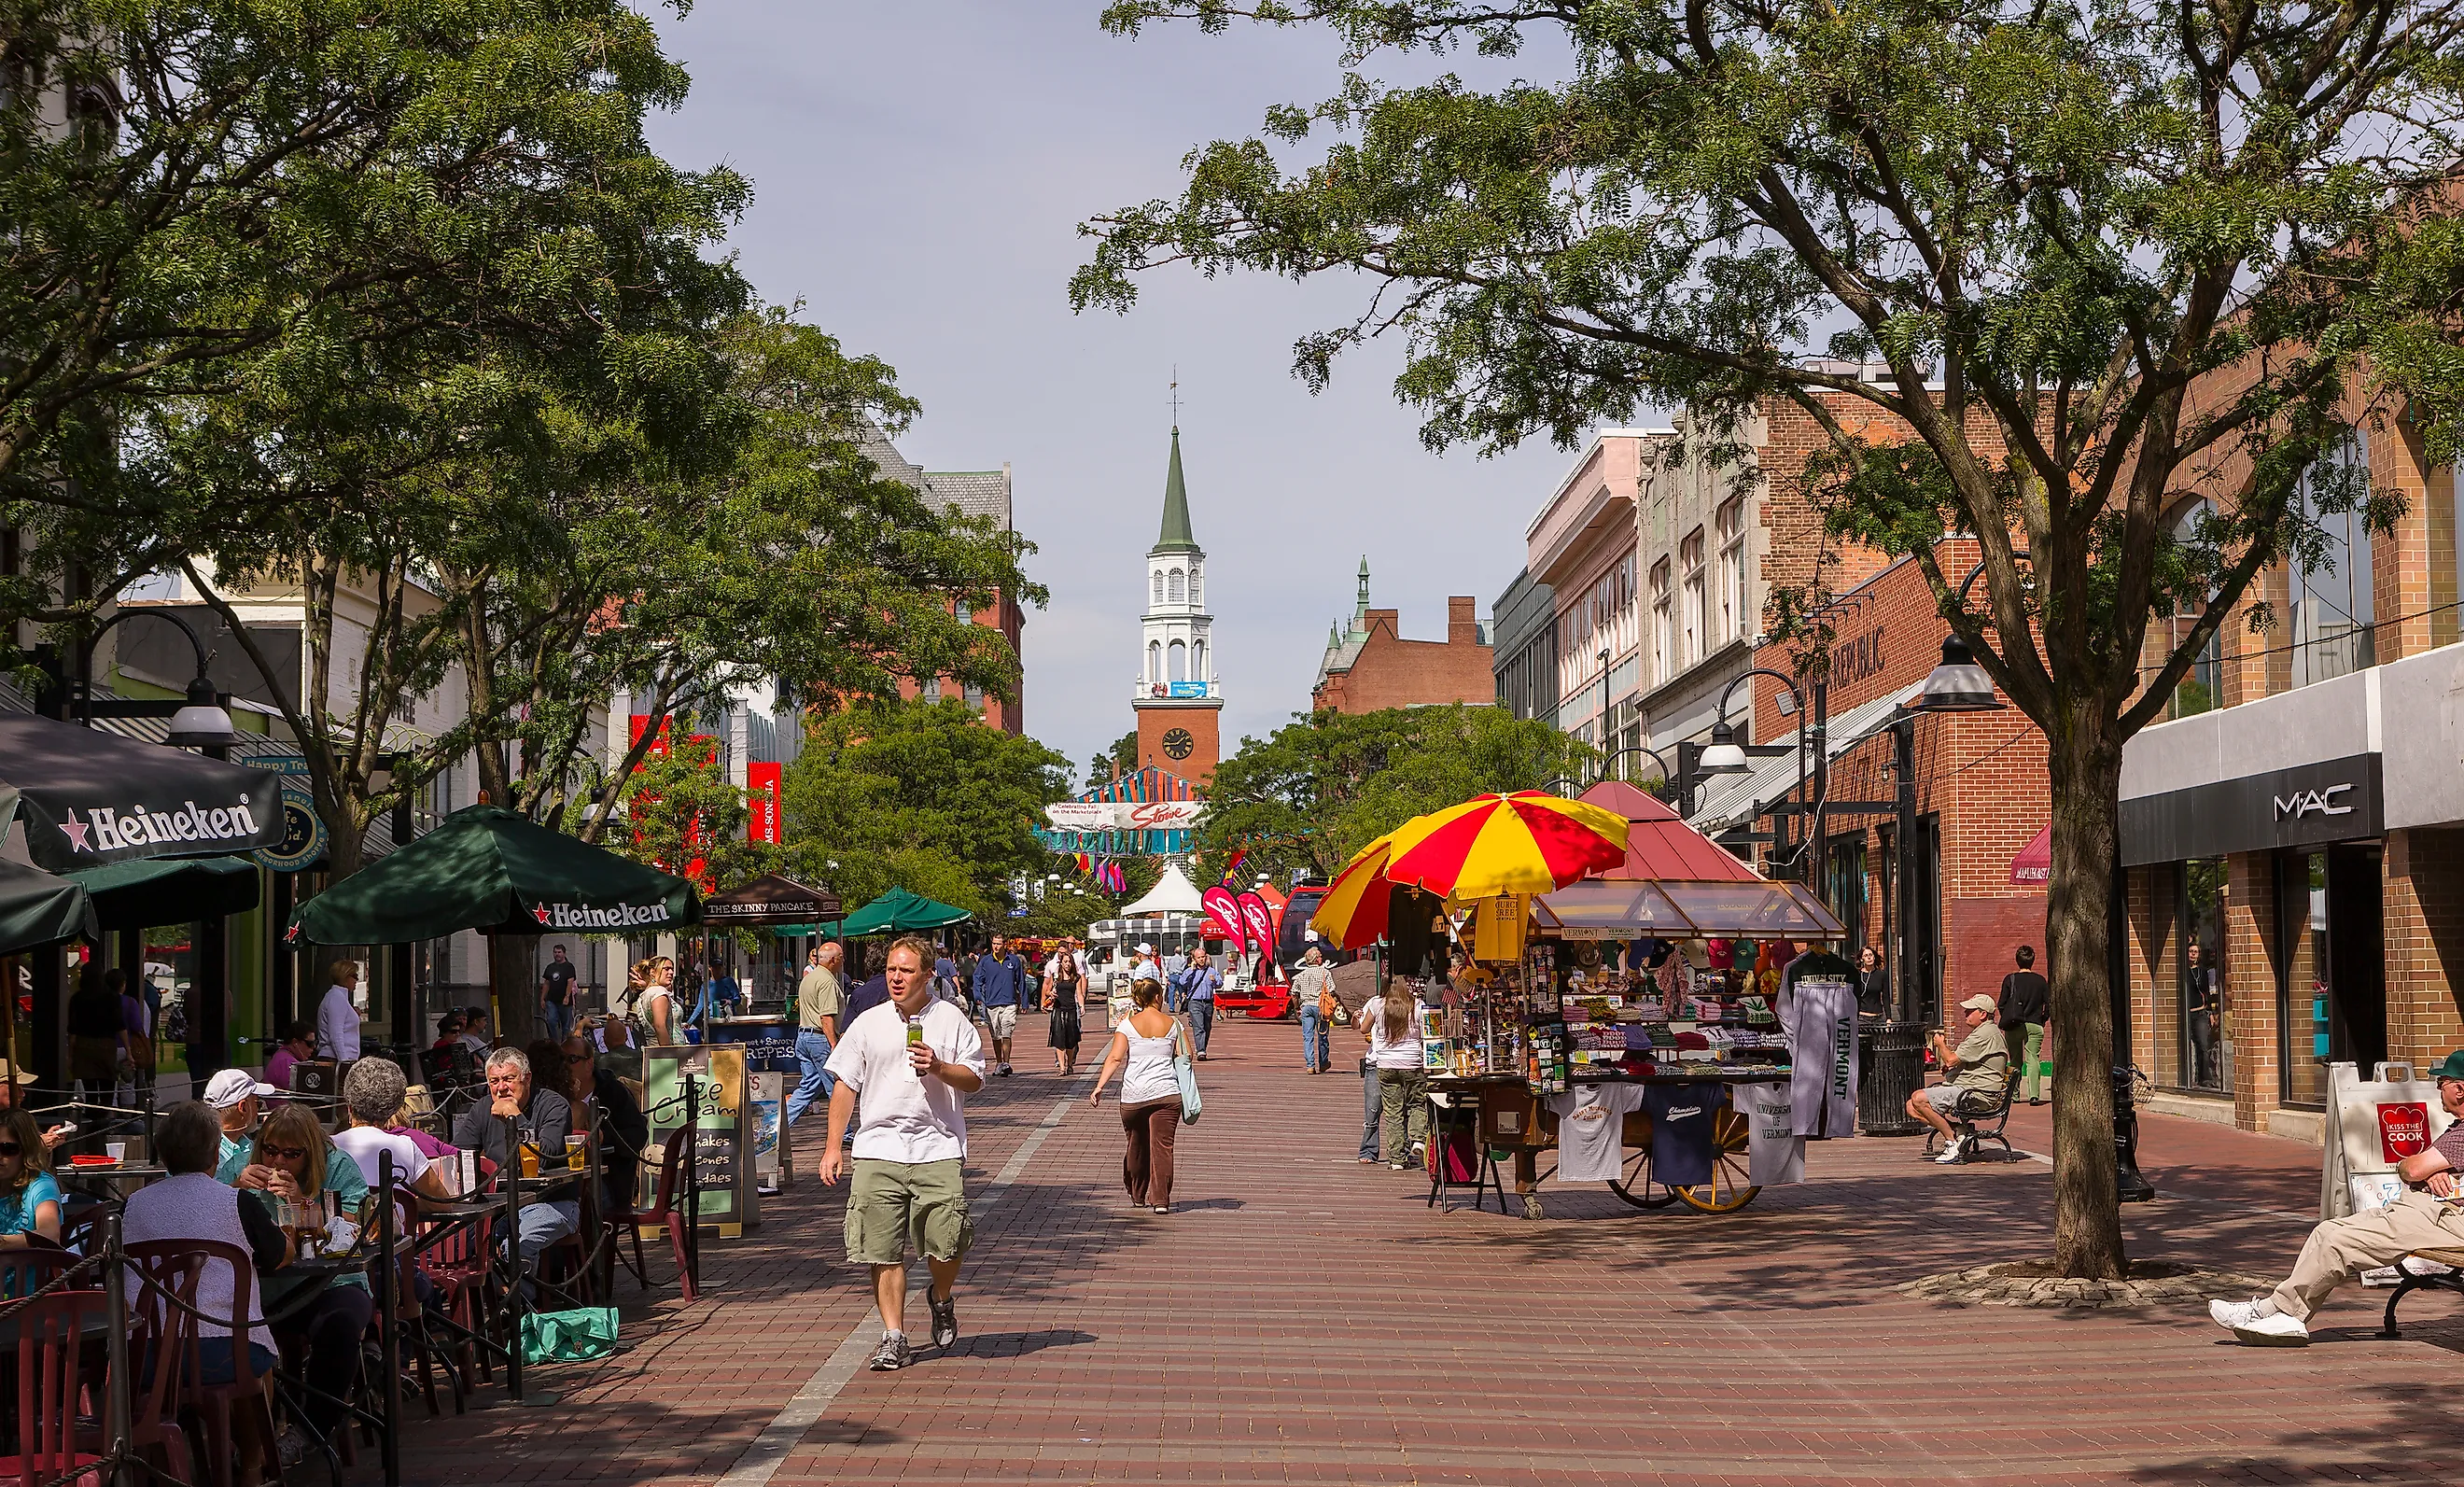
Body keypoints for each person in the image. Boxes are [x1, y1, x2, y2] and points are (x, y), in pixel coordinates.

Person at [2211, 1049, 2464, 1345]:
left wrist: (2420, 1169)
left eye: (2442, 1081)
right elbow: (2423, 1169)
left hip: (2443, 1218)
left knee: (2337, 1242)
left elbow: (2413, 1167)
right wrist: (2430, 1171)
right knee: (2326, 1230)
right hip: (2429, 1212)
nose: (2437, 1087)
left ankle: (2285, 1316)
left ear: (2460, 1089)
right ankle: (2270, 1310)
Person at [819, 935, 986, 1372]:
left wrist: (939, 1067)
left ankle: (941, 1296)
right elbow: (844, 1084)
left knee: (946, 1245)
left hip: (938, 1146)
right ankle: (894, 1335)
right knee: (882, 1249)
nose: (896, 977)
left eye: (906, 970)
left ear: (928, 974)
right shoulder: (868, 1022)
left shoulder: (951, 1020)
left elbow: (974, 1080)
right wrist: (833, 1146)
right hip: (877, 1149)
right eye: (892, 969)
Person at [121, 1103, 288, 1466]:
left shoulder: (133, 1205)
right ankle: (251, 1468)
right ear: (216, 1152)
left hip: (147, 1356)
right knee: (259, 1367)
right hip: (225, 1355)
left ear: (163, 1154)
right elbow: (279, 1255)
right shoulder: (237, 1202)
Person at [229, 1101, 373, 1456]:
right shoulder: (241, 1163)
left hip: (328, 1285)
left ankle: (310, 1430)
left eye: (291, 1154)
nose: (277, 1162)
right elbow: (203, 1209)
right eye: (271, 1150)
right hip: (260, 1290)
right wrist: (232, 1186)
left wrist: (302, 1203)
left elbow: (351, 1231)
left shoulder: (338, 1167)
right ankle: (246, 1443)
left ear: (311, 1152)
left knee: (340, 1324)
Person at [450, 1048, 578, 1298]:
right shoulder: (483, 1108)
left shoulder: (553, 1105)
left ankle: (519, 1315)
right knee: (452, 1245)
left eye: (508, 1079)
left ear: (526, 1078)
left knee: (516, 1247)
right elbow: (459, 1152)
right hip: (499, 1205)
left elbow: (546, 1153)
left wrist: (515, 1118)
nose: (501, 1089)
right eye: (494, 1081)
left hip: (550, 1201)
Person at [1087, 977, 1186, 1214]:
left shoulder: (1127, 1025)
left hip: (1135, 1095)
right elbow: (1186, 1056)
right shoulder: (1174, 1024)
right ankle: (1161, 1200)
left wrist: (1099, 1086)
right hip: (1167, 1094)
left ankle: (1137, 1193)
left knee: (1136, 1145)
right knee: (1163, 1147)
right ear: (1157, 997)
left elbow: (1114, 1058)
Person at [330, 1059, 454, 1205]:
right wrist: (403, 1206)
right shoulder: (406, 1147)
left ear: (349, 1107)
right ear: (394, 1110)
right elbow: (442, 1204)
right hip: (394, 1226)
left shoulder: (325, 1147)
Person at [1907, 994, 2010, 1164]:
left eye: (1970, 1011)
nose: (1965, 1014)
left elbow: (1951, 1059)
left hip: (1978, 1093)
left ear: (1983, 1014)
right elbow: (1963, 1060)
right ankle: (1960, 1130)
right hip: (1969, 1088)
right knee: (1911, 1107)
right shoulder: (1983, 1031)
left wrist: (1940, 1044)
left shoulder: (1985, 1033)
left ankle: (1952, 1143)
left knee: (1918, 1099)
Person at [1361, 980, 1430, 1170]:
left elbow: (1363, 1029)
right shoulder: (1417, 1005)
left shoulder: (1377, 1004)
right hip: (1412, 1063)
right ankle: (1417, 1139)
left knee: (1393, 1112)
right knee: (1417, 1103)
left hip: (1386, 1064)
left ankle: (1397, 1159)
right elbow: (1427, 1031)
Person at [787, 943, 846, 1129]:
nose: (843, 961)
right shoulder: (827, 981)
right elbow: (826, 1016)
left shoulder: (809, 979)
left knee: (809, 1087)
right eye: (841, 957)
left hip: (803, 1036)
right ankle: (845, 1133)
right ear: (833, 960)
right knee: (834, 1088)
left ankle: (778, 1124)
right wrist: (834, 1044)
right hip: (819, 1039)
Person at [0, 1108, 63, 1249]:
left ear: (27, 1150)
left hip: (27, 1270)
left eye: (7, 1149)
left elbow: (50, 1235)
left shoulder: (41, 1185)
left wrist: (2, 1242)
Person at [67, 963, 130, 1101]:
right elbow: (120, 1026)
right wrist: (128, 1051)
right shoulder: (112, 997)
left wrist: (70, 1055)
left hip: (84, 1046)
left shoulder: (77, 998)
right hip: (106, 1046)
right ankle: (104, 1118)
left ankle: (93, 1116)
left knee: (90, 1091)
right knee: (108, 1087)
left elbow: (72, 1030)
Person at [203, 1068, 279, 1179]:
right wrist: (239, 1185)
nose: (260, 1110)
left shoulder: (246, 1145)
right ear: (243, 1107)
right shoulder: (202, 1154)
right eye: (257, 1103)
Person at [1999, 946, 2051, 1105]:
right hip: (2035, 1024)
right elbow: (2049, 1005)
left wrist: (2009, 1017)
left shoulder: (2010, 979)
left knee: (2015, 1061)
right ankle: (2034, 1095)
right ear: (2033, 961)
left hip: (2015, 1025)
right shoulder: (2040, 981)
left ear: (2017, 961)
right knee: (2033, 1058)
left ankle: (2014, 1095)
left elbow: (2001, 1004)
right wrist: (2042, 1019)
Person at [972, 933, 1026, 1077]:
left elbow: (1021, 981)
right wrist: (978, 995)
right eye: (994, 943)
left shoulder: (1013, 961)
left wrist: (1024, 1001)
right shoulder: (986, 961)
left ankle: (1006, 1063)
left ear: (1005, 945)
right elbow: (977, 979)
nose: (996, 946)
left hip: (1009, 1003)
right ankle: (999, 1062)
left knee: (1007, 1031)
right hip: (992, 1003)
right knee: (996, 1035)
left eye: (999, 944)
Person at [0, 1059, 67, 1151]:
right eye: (15, 1087)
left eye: (21, 1088)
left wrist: (45, 1140)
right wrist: (38, 1146)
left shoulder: (15, 1117)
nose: (22, 1094)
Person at [1044, 938, 1086, 1076]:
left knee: (1071, 1040)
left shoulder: (1076, 978)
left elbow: (1079, 993)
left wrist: (1082, 1006)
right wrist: (1050, 994)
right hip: (1058, 1009)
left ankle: (1069, 1064)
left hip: (1071, 1010)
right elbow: (1047, 989)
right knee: (1059, 1039)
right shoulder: (1056, 976)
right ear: (1061, 963)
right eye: (1065, 962)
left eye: (1069, 962)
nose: (1067, 964)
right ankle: (1062, 1067)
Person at [1291, 947, 1334, 1073]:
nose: (1322, 958)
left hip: (1306, 1007)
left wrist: (1297, 1006)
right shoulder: (1325, 973)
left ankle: (1310, 1065)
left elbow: (1294, 993)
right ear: (1316, 959)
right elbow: (1331, 990)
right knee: (1322, 1036)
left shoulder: (1301, 975)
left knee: (1307, 1037)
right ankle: (1323, 1062)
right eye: (1320, 956)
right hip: (1320, 1008)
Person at [1179, 947, 1223, 1059]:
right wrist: (1191, 971)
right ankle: (1201, 1050)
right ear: (1194, 959)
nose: (1201, 959)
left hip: (1208, 1002)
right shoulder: (1190, 971)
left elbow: (1220, 983)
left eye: (1203, 957)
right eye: (1199, 957)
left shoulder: (1211, 971)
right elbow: (1182, 982)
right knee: (1199, 1026)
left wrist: (1214, 981)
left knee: (1207, 1027)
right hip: (1195, 1002)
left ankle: (1202, 1047)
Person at [315, 959, 361, 1062]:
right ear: (345, 976)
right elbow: (336, 1034)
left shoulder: (339, 998)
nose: (356, 980)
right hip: (335, 1059)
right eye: (355, 976)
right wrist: (344, 1061)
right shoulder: (336, 998)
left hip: (340, 1058)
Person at [635, 957, 679, 1046]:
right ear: (653, 972)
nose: (671, 972)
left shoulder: (647, 993)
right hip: (663, 1050)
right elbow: (659, 1026)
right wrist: (667, 1055)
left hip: (654, 1049)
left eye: (672, 969)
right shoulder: (659, 992)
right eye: (666, 969)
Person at [540, 945, 580, 1044]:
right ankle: (555, 1042)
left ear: (564, 953)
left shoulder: (569, 967)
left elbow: (570, 982)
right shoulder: (550, 967)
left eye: (559, 952)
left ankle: (565, 1044)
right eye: (555, 952)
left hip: (565, 1002)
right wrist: (542, 998)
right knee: (551, 1021)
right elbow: (546, 983)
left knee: (566, 1026)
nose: (557, 954)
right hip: (551, 1000)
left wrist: (567, 996)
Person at [263, 1020, 316, 1092]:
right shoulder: (286, 1062)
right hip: (283, 1103)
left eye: (315, 1043)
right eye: (310, 1043)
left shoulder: (282, 1056)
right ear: (295, 1042)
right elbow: (303, 1092)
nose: (314, 1047)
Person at [1855, 946, 1891, 1018]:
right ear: (1862, 959)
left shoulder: (1881, 974)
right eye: (1866, 955)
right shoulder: (1857, 975)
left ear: (1874, 957)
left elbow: (1886, 997)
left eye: (1871, 955)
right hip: (1862, 1017)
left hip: (1878, 1017)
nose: (1869, 957)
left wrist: (1889, 1018)